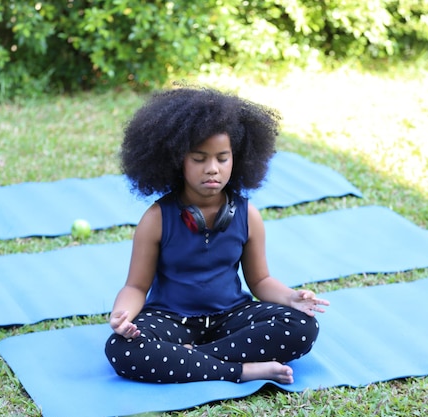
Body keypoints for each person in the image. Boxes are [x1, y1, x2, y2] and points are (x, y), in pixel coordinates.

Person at [105, 86, 329, 384]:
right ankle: (240, 370)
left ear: (237, 159)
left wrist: (291, 298)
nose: (212, 169)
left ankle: (189, 357)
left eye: (222, 158)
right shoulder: (156, 219)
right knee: (122, 350)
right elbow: (135, 286)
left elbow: (260, 282)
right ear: (177, 160)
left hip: (232, 317)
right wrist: (122, 315)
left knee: (301, 326)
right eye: (199, 159)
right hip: (171, 320)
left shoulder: (248, 215)